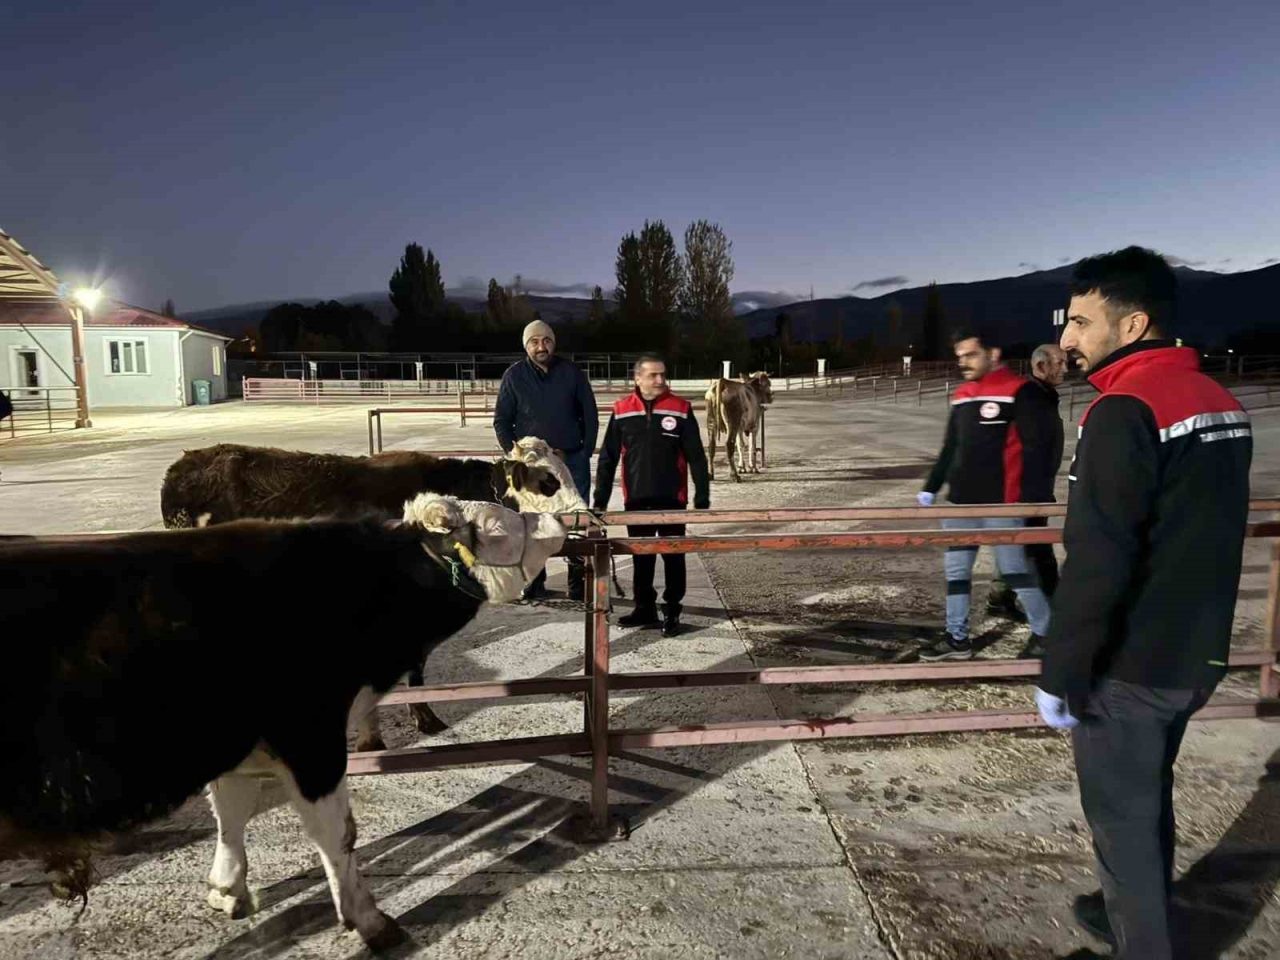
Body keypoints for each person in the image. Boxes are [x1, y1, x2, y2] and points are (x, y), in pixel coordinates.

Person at [1036, 247, 1251, 960]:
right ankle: (1124, 910)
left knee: (1121, 820)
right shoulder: (1220, 402)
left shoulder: (1123, 410)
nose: (1066, 338)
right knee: (1146, 796)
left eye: (1079, 322)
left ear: (1133, 326)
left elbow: (1100, 557)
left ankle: (1143, 940)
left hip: (1132, 664)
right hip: (1201, 650)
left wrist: (1062, 671)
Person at [916, 327, 1055, 661]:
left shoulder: (1019, 391)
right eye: (959, 356)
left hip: (1001, 503)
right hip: (960, 503)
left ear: (993, 354)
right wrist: (932, 487)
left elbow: (1037, 449)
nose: (963, 362)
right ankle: (957, 639)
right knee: (956, 571)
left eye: (970, 354)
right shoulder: (963, 394)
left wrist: (1032, 498)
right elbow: (951, 446)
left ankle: (1046, 633)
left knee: (1013, 570)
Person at [593, 354, 710, 637]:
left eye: (663, 374)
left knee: (673, 555)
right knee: (641, 557)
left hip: (672, 498)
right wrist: (600, 500)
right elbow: (608, 458)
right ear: (638, 378)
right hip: (637, 498)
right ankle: (644, 608)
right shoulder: (622, 410)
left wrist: (702, 494)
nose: (660, 380)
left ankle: (671, 610)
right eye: (653, 375)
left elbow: (696, 454)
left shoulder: (680, 408)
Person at [493, 319, 598, 600]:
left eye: (547, 340)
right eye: (534, 341)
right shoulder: (513, 377)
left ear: (554, 342)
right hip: (532, 469)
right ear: (526, 345)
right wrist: (515, 457)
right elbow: (502, 421)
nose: (542, 346)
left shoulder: (572, 373)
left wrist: (584, 451)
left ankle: (577, 582)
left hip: (570, 460)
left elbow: (589, 414)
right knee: (532, 522)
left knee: (575, 522)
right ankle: (535, 581)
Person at [986, 343, 1068, 645]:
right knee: (1037, 552)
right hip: (1026, 491)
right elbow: (1029, 449)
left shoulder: (1044, 396)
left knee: (1015, 545)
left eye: (1066, 362)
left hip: (1033, 489)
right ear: (1040, 365)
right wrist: (1034, 493)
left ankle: (998, 597)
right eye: (1059, 362)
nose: (1065, 368)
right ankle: (1055, 616)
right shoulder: (1032, 398)